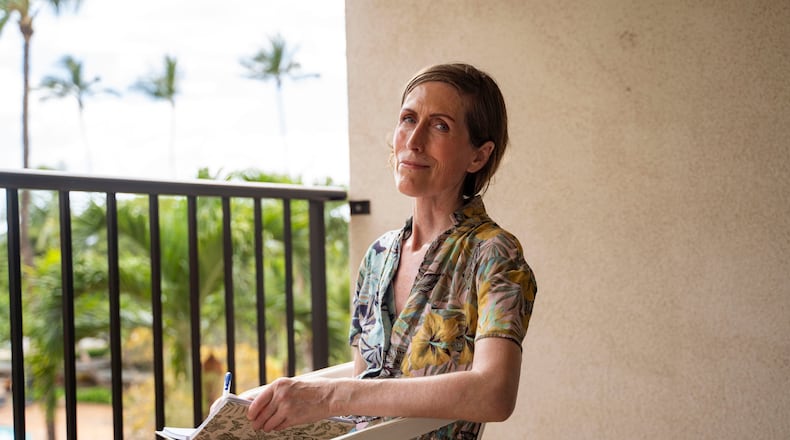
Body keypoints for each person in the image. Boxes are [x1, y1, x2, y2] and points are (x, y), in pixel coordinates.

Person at [240, 63, 537, 439]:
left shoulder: (495, 255)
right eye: (408, 119)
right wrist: (270, 405)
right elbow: (368, 379)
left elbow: (494, 393)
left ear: (478, 156)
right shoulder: (378, 256)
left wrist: (331, 395)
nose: (413, 141)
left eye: (440, 125)